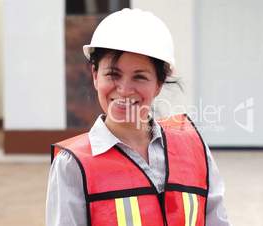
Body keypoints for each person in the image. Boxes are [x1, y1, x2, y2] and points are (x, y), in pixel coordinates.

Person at [46, 8, 231, 226]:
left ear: (159, 84)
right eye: (113, 74)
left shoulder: (194, 148)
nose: (124, 90)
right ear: (95, 76)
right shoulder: (72, 165)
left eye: (140, 77)